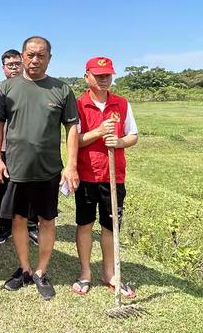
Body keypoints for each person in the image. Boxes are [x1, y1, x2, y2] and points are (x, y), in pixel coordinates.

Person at [0, 36, 79, 300]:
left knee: (46, 220)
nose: (35, 60)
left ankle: (41, 271)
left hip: (49, 169)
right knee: (18, 218)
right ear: (22, 55)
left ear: (49, 58)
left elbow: (72, 128)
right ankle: (25, 269)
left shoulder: (62, 90)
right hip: (16, 168)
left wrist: (71, 164)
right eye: (30, 54)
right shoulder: (7, 88)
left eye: (41, 55)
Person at [72, 57, 138, 297]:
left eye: (107, 75)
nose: (103, 79)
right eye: (98, 75)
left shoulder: (121, 103)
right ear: (86, 76)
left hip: (114, 177)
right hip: (88, 175)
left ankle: (110, 273)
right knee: (85, 224)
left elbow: (133, 135)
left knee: (110, 227)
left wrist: (120, 141)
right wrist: (98, 132)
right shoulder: (78, 105)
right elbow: (75, 140)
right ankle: (85, 272)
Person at [0, 49, 39, 245]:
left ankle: (31, 225)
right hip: (4, 148)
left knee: (31, 187)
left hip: (29, 149)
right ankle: (4, 224)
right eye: (10, 65)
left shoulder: (34, 87)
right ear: (3, 68)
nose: (15, 68)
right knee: (2, 189)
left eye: (17, 63)